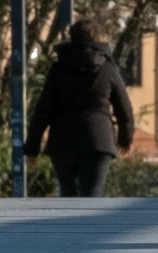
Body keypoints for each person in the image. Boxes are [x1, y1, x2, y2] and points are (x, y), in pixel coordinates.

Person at [23, 19, 134, 197]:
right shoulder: (108, 69)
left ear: (72, 38)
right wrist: (125, 139)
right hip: (98, 139)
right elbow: (124, 108)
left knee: (68, 195)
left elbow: (43, 111)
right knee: (93, 195)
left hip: (63, 140)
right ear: (99, 39)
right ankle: (91, 216)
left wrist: (32, 148)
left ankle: (71, 215)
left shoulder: (58, 70)